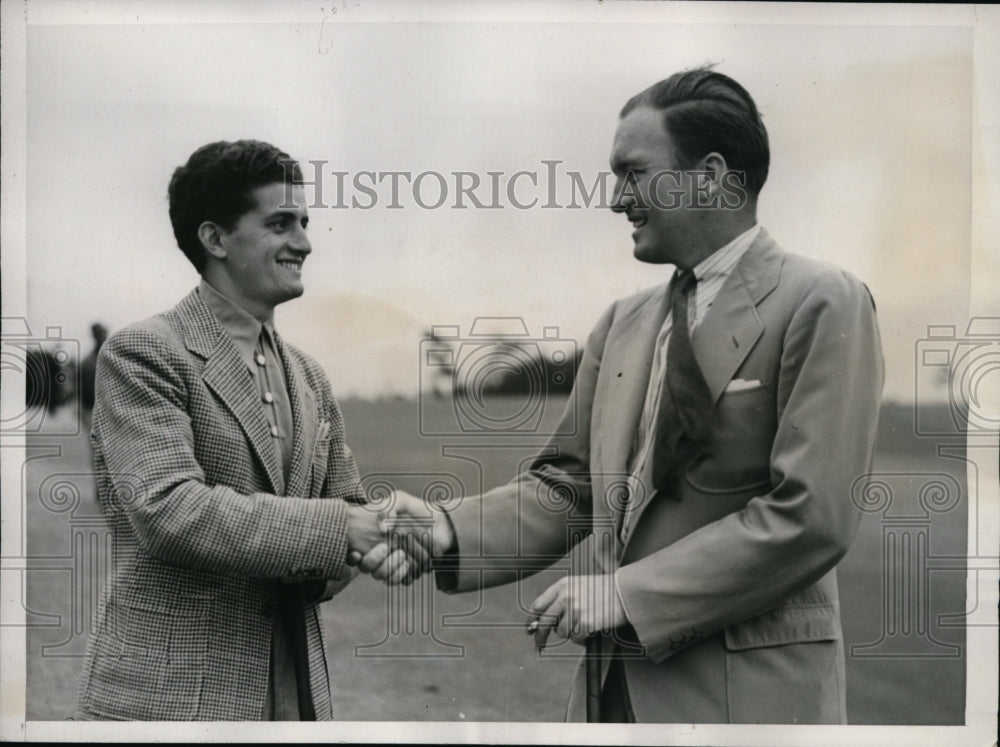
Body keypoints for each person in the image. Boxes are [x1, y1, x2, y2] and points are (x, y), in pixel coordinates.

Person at [362, 67, 885, 723]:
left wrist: (627, 594)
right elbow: (572, 486)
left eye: (633, 172)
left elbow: (812, 516)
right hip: (612, 699)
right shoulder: (622, 323)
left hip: (751, 706)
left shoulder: (822, 301)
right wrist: (443, 527)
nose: (616, 199)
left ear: (710, 173)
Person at [75, 140, 422, 721]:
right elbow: (169, 511)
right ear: (215, 239)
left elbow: (349, 507)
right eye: (281, 223)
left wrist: (369, 546)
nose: (305, 242)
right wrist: (347, 531)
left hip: (294, 692)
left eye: (306, 223)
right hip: (170, 698)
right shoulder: (143, 352)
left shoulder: (309, 374)